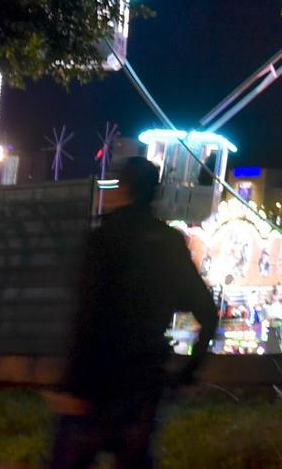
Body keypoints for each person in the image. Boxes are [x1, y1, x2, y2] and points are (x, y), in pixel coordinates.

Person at [49, 156, 220, 469]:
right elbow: (204, 311)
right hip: (145, 384)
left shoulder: (102, 240)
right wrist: (187, 369)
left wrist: (72, 383)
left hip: (96, 384)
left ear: (122, 188)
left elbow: (88, 316)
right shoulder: (169, 243)